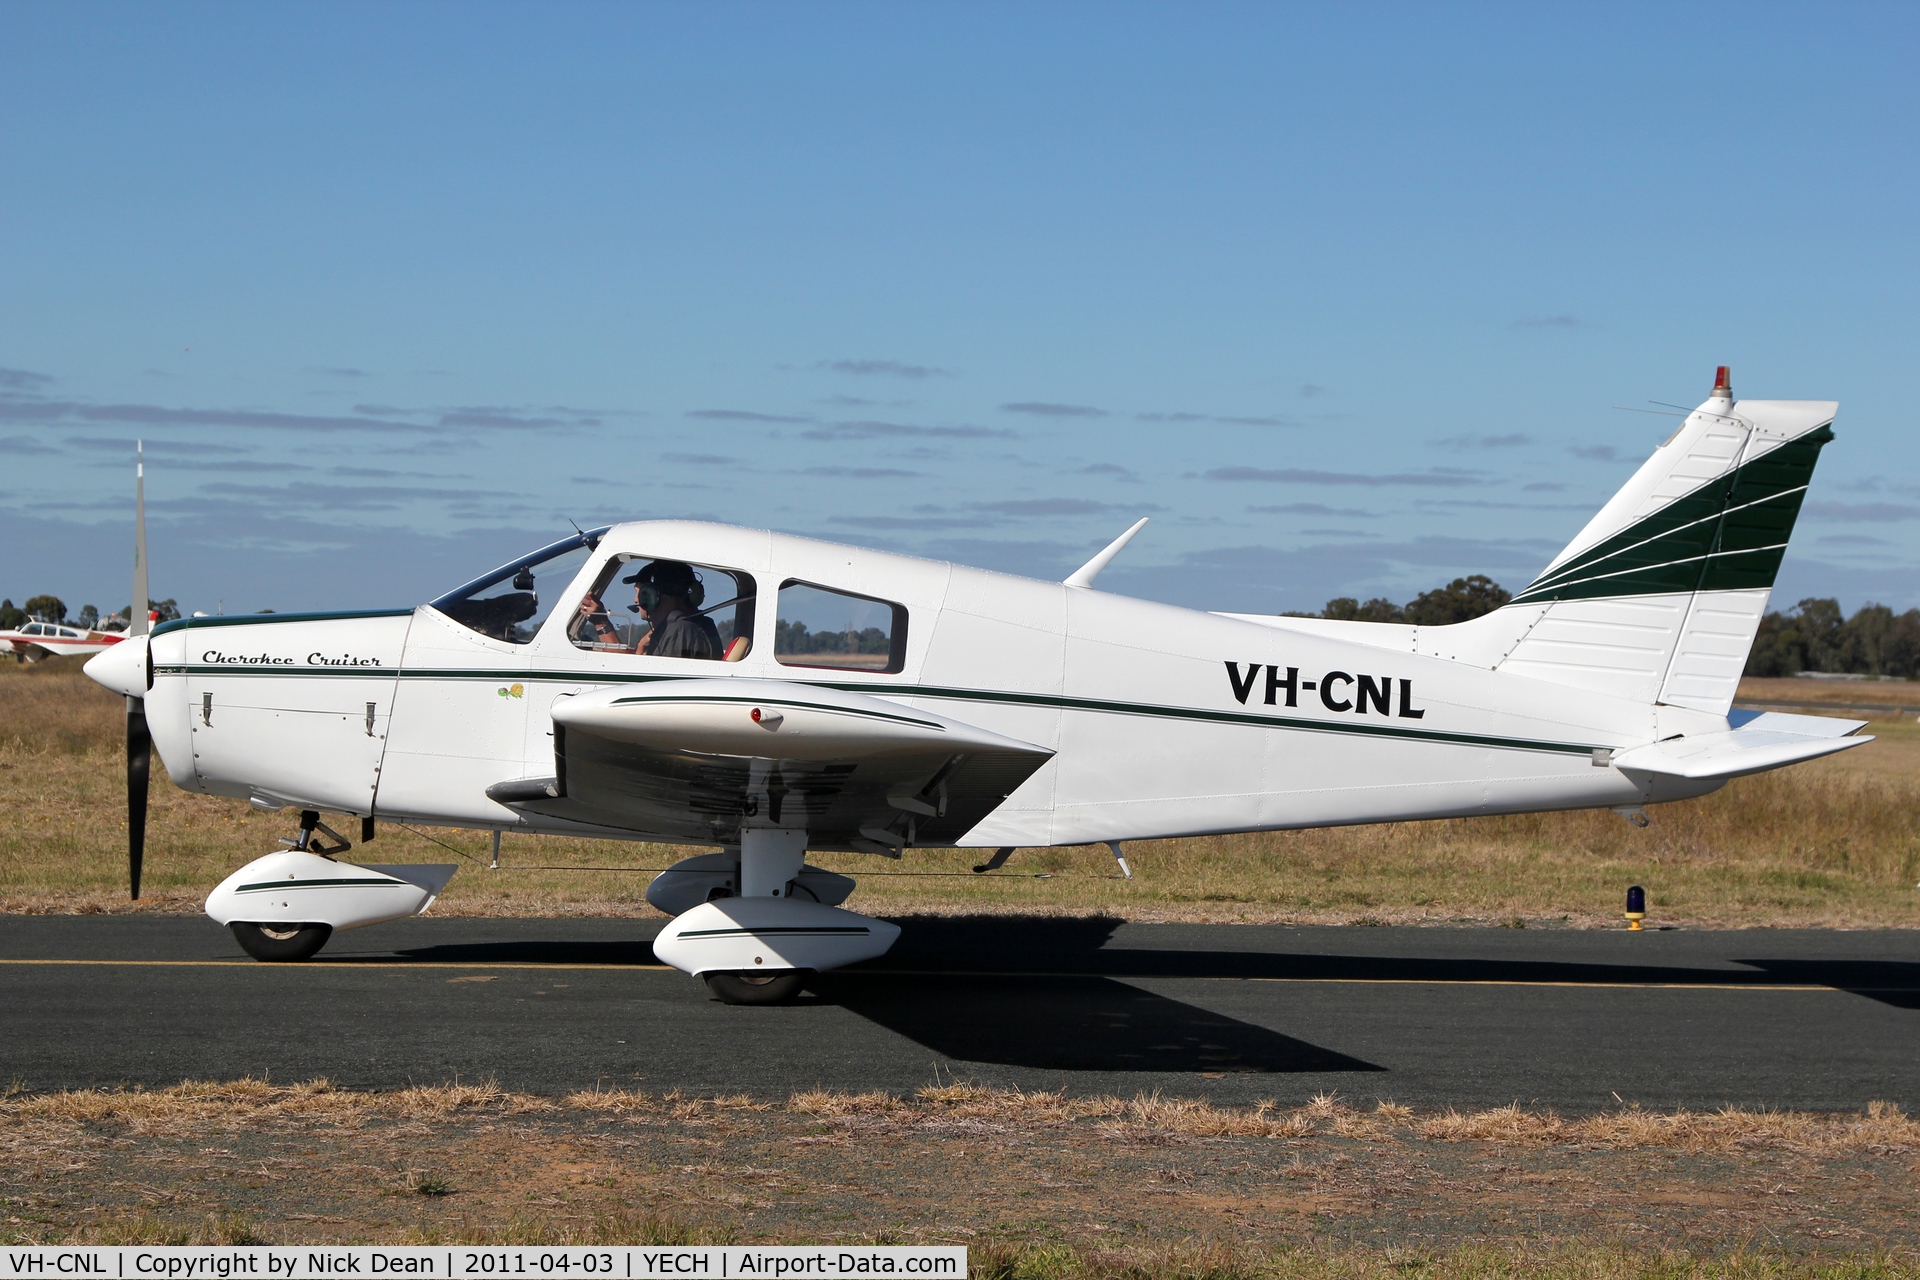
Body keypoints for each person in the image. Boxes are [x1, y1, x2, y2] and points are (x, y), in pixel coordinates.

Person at [575, 559, 721, 659]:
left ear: (651, 595)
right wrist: (640, 649)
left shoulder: (680, 631)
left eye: (639, 592)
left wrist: (601, 622)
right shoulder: (686, 627)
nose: (636, 600)